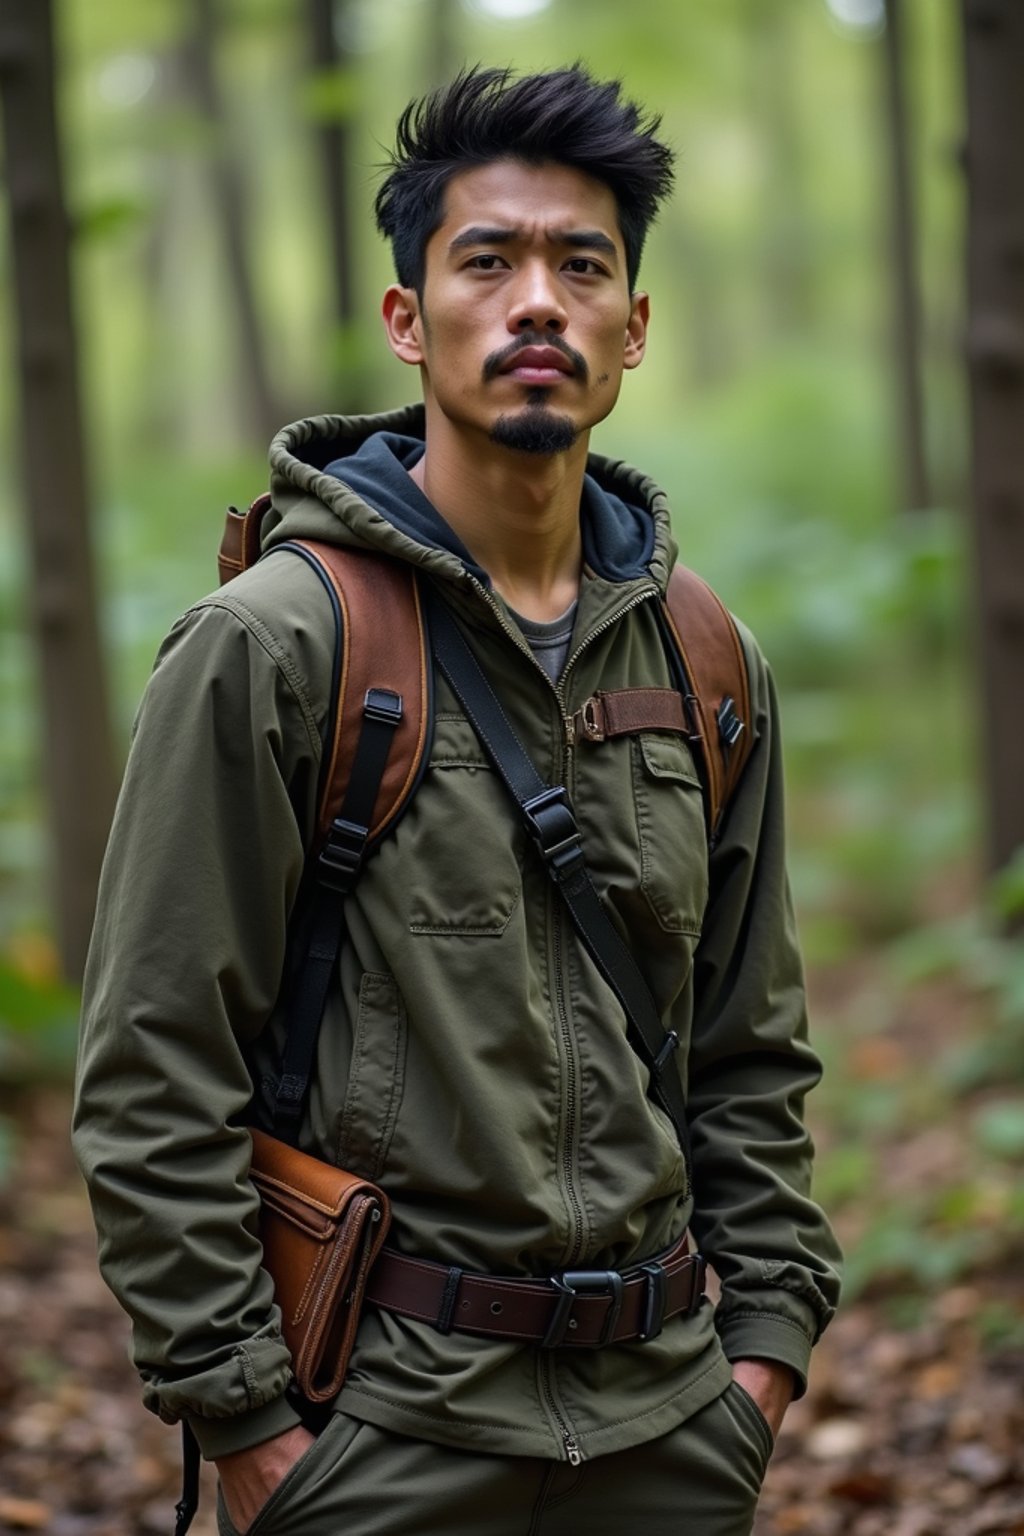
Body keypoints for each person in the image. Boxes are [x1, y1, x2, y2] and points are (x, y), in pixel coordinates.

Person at [74, 64, 842, 1536]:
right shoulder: (276, 649)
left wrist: (765, 1364)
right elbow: (154, 1067)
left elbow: (752, 1048)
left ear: (634, 325)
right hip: (381, 1437)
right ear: (410, 321)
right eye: (487, 260)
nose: (538, 301)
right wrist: (248, 1424)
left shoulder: (706, 658)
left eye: (583, 264)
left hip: (674, 1432)